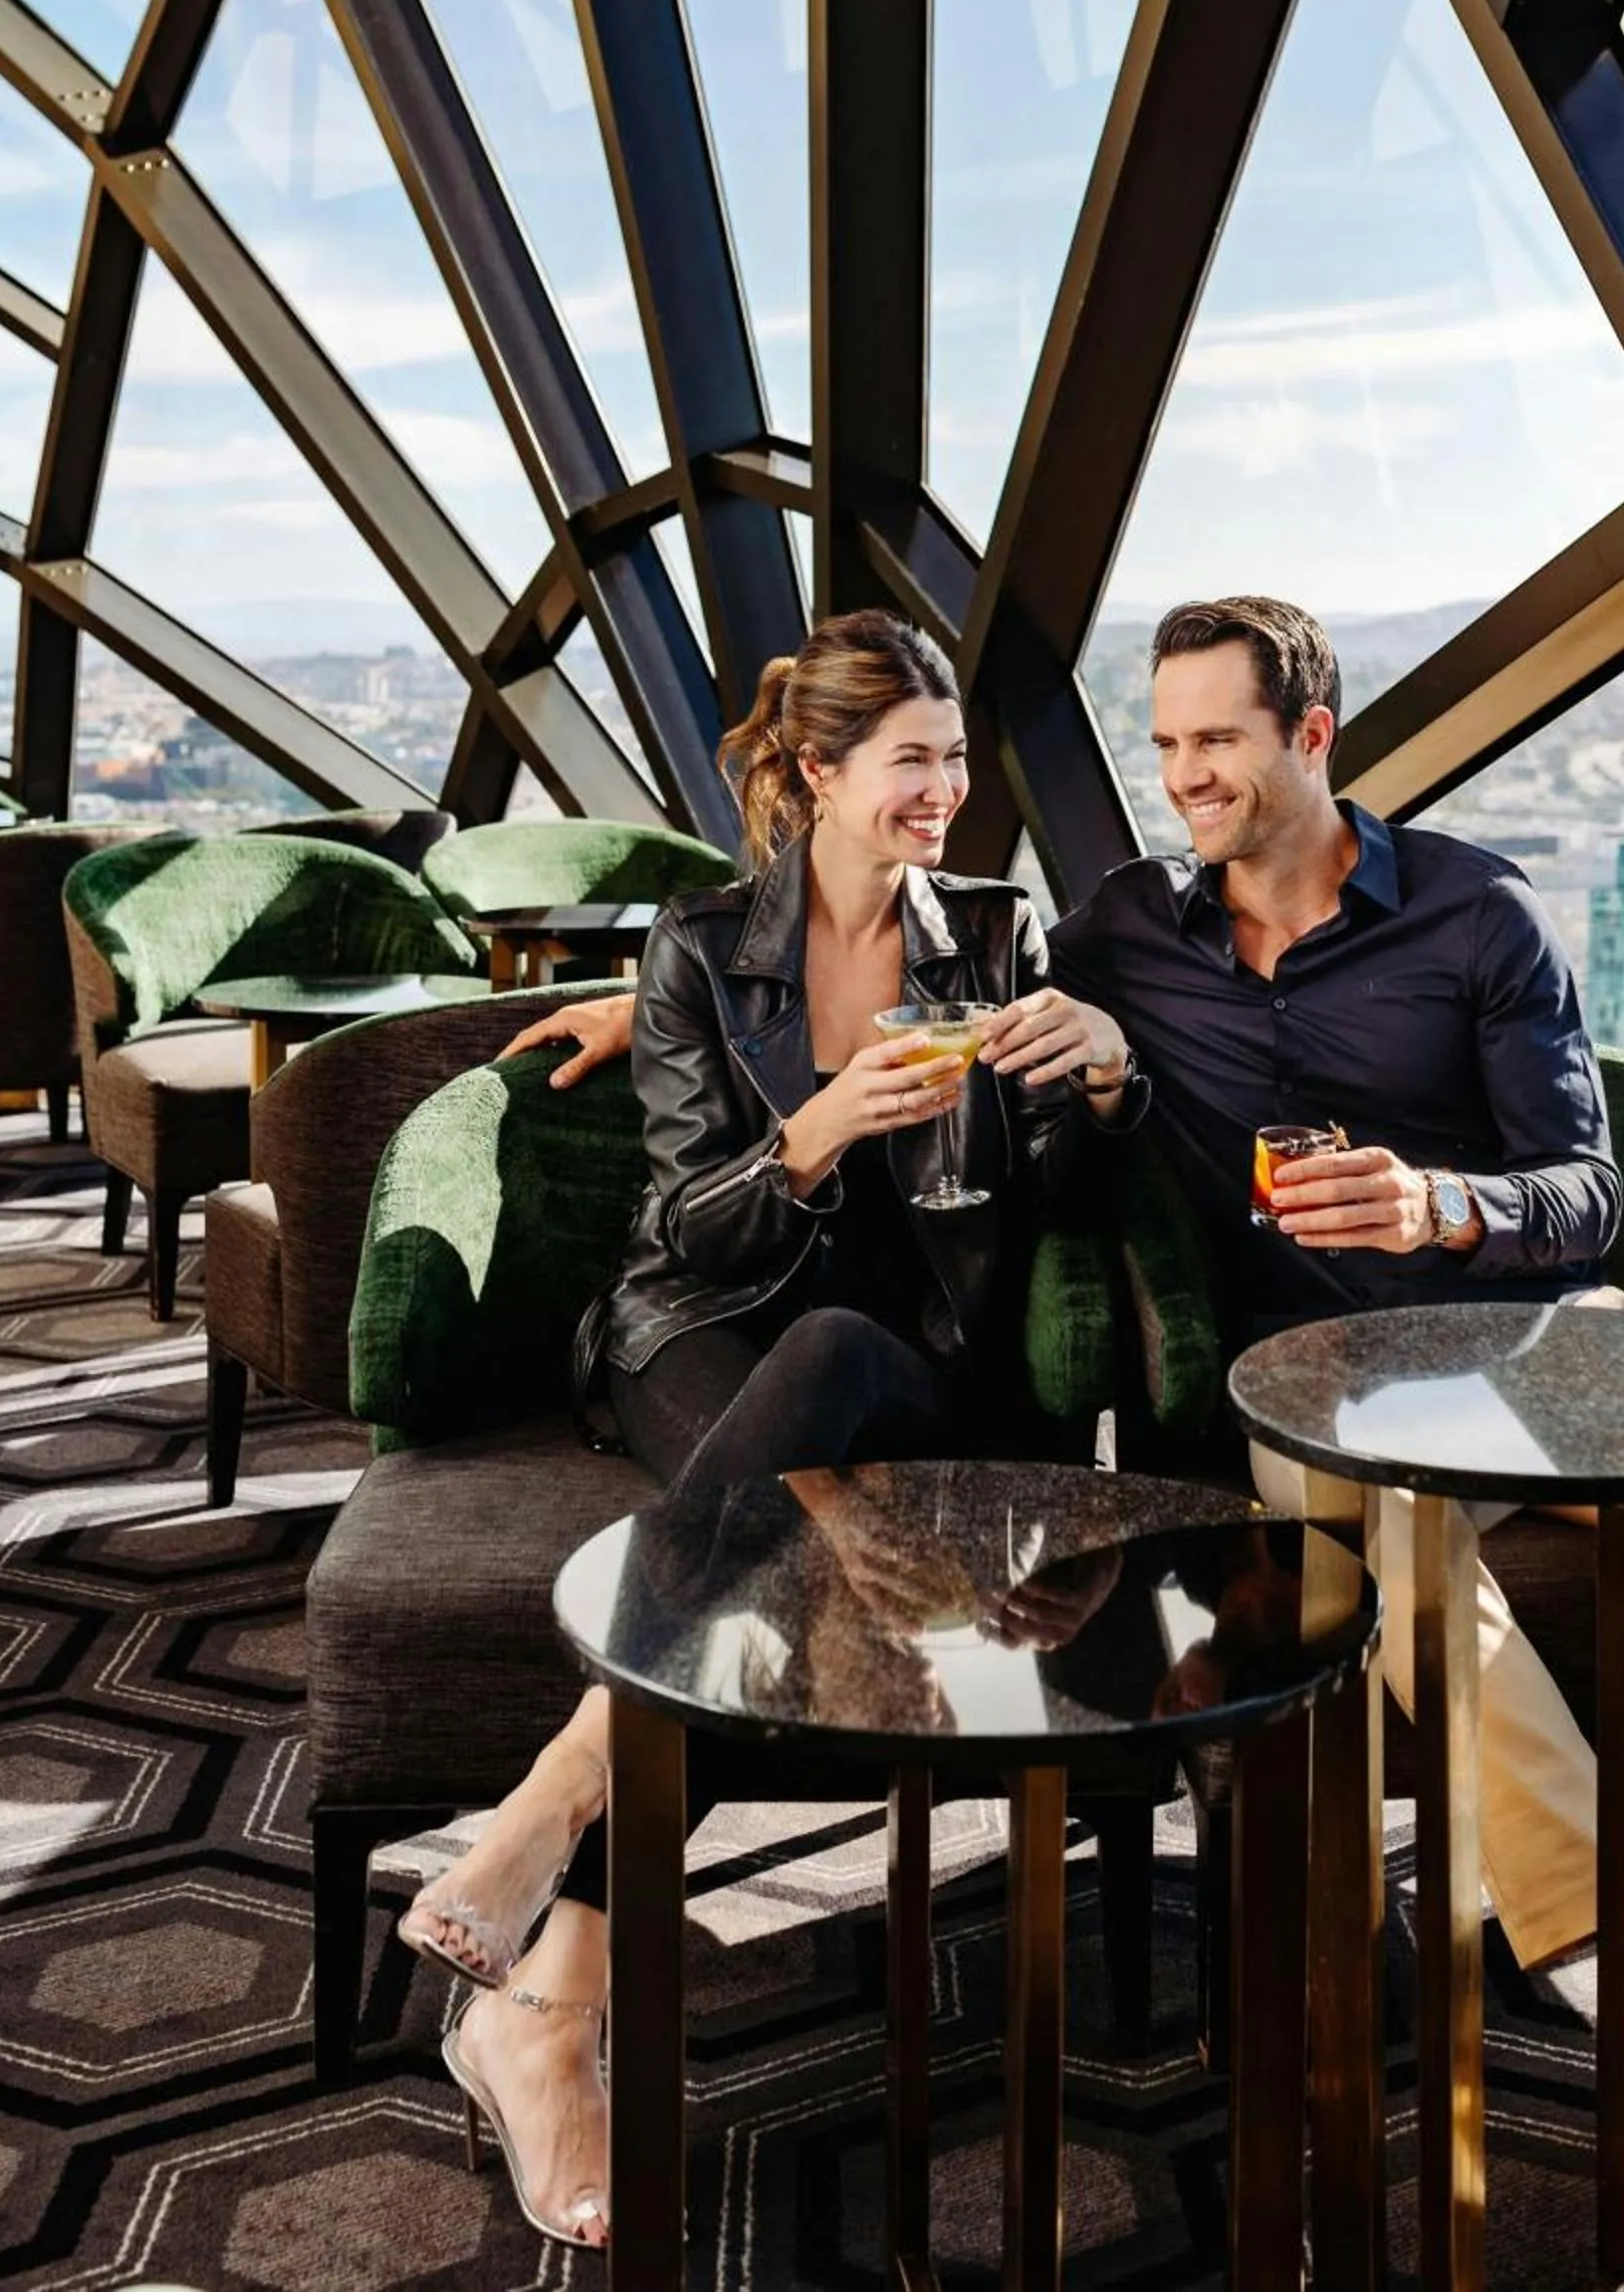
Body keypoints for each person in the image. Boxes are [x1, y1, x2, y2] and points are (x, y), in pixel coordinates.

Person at [514, 591, 1624, 2194]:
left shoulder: (1481, 918)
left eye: (1216, 742)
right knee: (1375, 1514)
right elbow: (880, 957)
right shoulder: (1125, 930)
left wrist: (1443, 1205)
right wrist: (653, 1010)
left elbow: (1587, 1189)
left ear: (1311, 738)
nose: (1183, 778)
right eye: (1165, 744)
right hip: (1329, 1390)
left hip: (1533, 1334)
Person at [394, 608, 1143, 2248]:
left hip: (914, 1367)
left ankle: (557, 1817)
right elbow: (688, 1233)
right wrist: (811, 1134)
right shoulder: (697, 947)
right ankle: (561, 1990)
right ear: (816, 772)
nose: (946, 789)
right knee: (788, 1456)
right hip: (697, 1339)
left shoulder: (1001, 940)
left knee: (829, 1377)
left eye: (956, 758)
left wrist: (1097, 1080)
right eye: (912, 760)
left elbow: (1062, 1203)